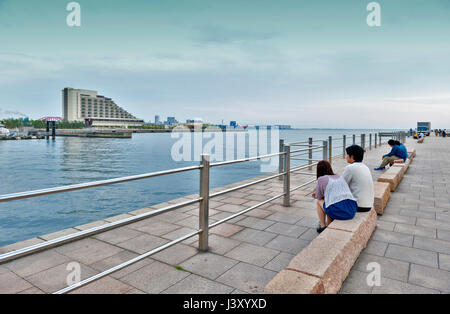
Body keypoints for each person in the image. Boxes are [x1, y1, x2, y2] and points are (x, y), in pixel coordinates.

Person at [312, 160, 357, 233]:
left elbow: (319, 197)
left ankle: (323, 226)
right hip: (352, 209)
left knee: (319, 202)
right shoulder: (339, 176)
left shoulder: (321, 179)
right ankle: (329, 225)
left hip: (339, 210)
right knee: (330, 203)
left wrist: (314, 195)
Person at [342, 145, 374, 212]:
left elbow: (341, 185)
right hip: (369, 205)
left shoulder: (350, 168)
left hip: (358, 205)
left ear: (352, 156)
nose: (346, 156)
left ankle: (325, 222)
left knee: (327, 201)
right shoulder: (365, 167)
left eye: (347, 154)